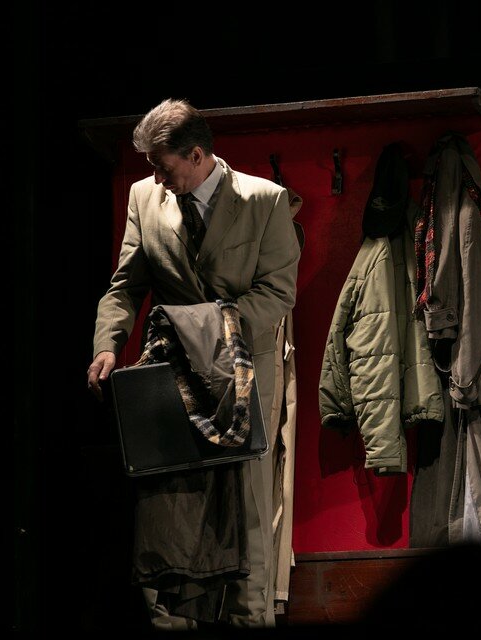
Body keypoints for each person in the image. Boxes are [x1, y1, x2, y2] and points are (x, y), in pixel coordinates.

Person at [86, 98, 302, 628]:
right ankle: (172, 623)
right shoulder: (145, 197)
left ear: (197, 155)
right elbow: (126, 286)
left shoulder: (264, 200)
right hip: (172, 375)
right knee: (171, 506)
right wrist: (108, 343)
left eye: (164, 166)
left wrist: (208, 329)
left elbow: (277, 293)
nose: (156, 178)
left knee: (247, 508)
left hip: (242, 375)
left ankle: (250, 621)